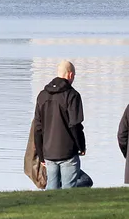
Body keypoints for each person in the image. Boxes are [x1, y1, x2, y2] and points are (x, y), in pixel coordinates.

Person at [32, 59, 90, 189]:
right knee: (68, 190)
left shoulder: (42, 96)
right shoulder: (72, 96)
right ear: (70, 75)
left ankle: (48, 208)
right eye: (73, 76)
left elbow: (38, 128)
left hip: (48, 152)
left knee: (51, 188)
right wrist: (81, 146)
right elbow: (75, 125)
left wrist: (41, 155)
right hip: (68, 152)